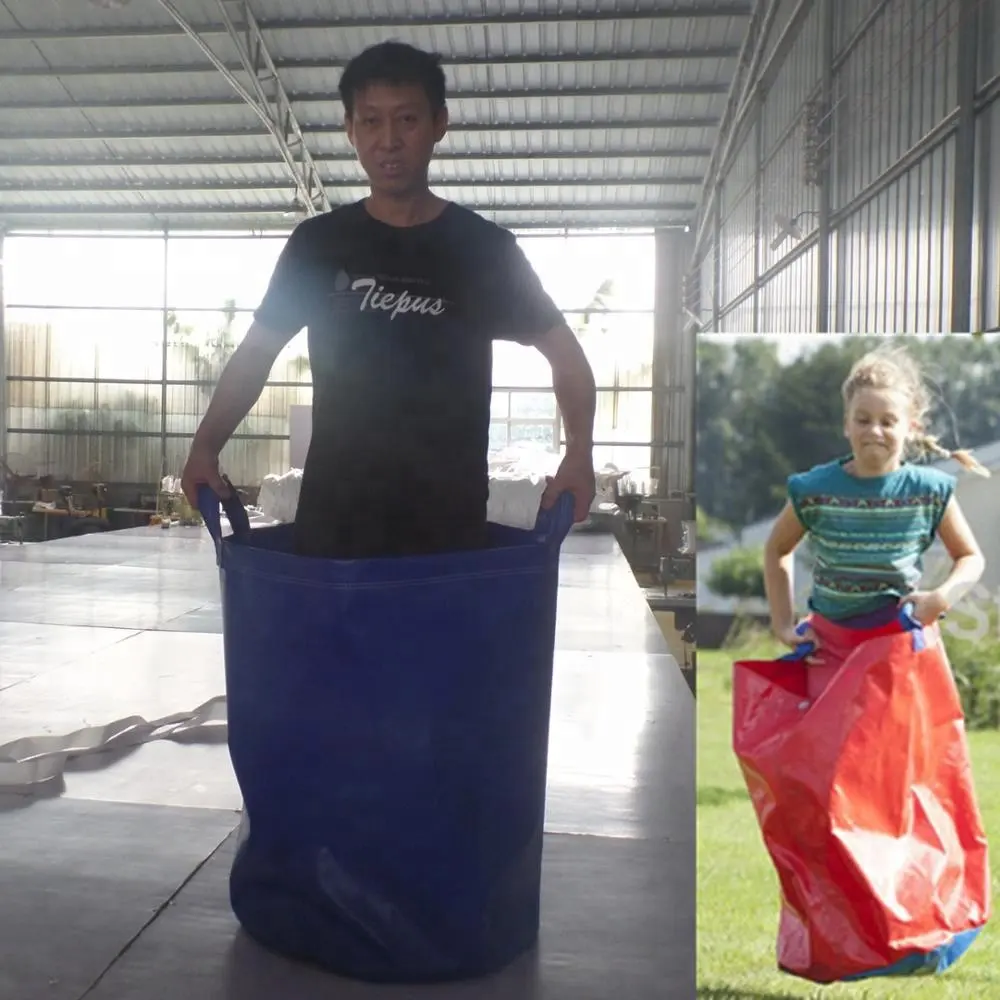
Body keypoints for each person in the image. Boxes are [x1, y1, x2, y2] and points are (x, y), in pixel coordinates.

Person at [181, 41, 597, 559]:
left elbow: (566, 356)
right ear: (350, 130)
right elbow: (256, 354)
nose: (389, 141)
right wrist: (205, 445)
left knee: (438, 644)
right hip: (336, 525)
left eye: (407, 119)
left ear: (439, 123)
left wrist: (579, 452)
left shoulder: (484, 250)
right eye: (371, 122)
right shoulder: (318, 245)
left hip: (447, 529)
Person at [763, 344, 987, 698]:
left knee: (897, 750)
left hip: (899, 643)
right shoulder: (814, 488)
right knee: (831, 750)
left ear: (910, 427)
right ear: (846, 425)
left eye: (888, 421)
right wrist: (782, 624)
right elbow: (777, 548)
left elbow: (971, 557)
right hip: (829, 646)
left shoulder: (929, 490)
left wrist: (942, 597)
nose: (875, 431)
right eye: (863, 419)